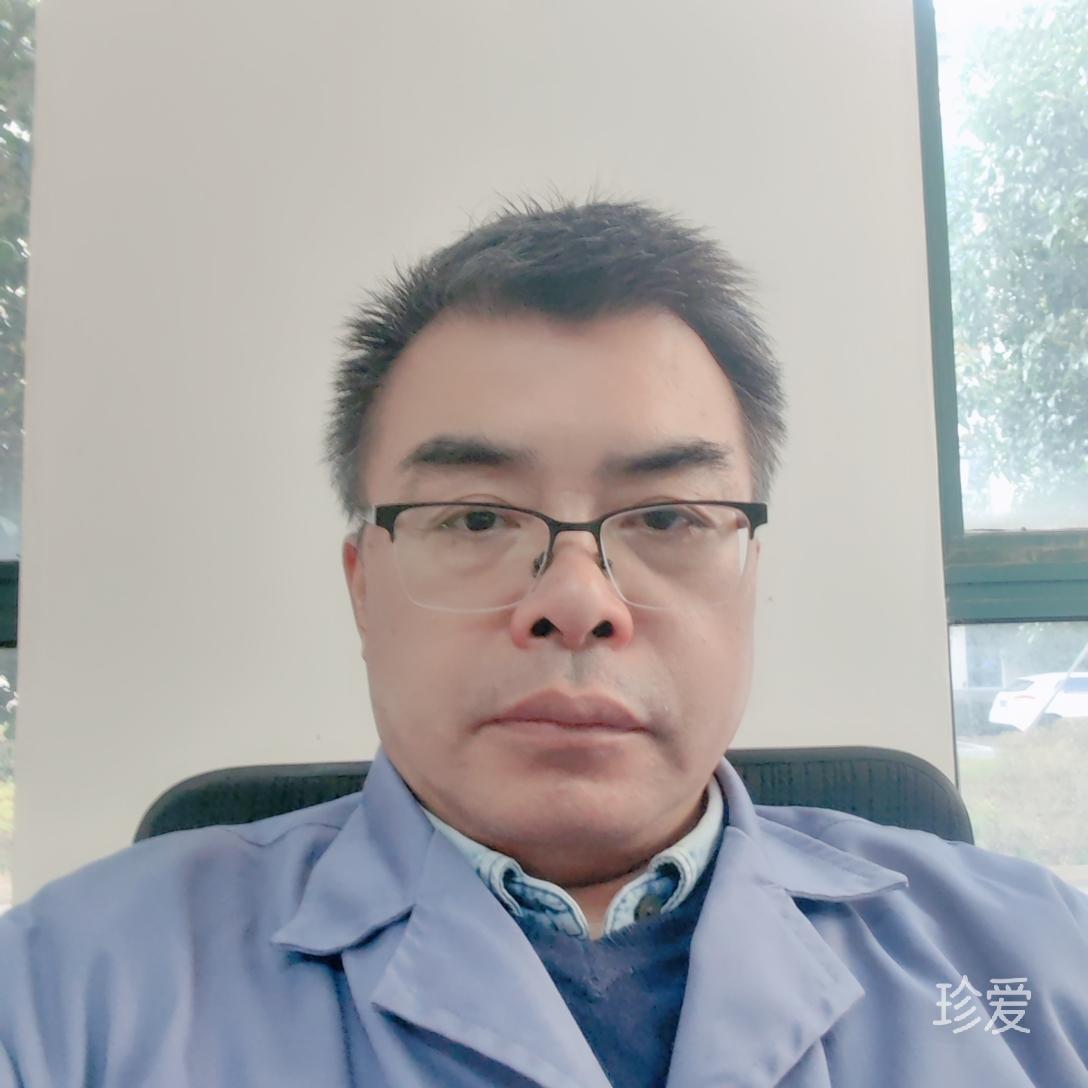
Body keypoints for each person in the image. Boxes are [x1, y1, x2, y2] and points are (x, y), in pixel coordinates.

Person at [1, 199, 1086, 1088]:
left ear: (750, 577)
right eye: (476, 517)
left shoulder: (1034, 962)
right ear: (364, 589)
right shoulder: (66, 992)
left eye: (666, 516)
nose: (575, 600)